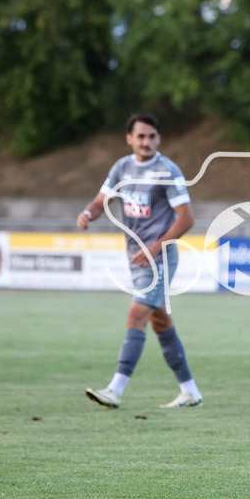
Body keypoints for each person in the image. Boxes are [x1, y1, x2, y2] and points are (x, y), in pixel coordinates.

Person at [79, 113, 203, 409]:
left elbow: (186, 219)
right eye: (141, 136)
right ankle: (190, 391)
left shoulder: (167, 170)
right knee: (160, 322)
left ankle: (115, 390)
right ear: (129, 139)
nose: (146, 141)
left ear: (159, 139)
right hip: (136, 258)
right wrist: (88, 213)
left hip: (159, 259)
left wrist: (155, 248)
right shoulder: (122, 167)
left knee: (136, 316)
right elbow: (101, 201)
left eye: (151, 136)